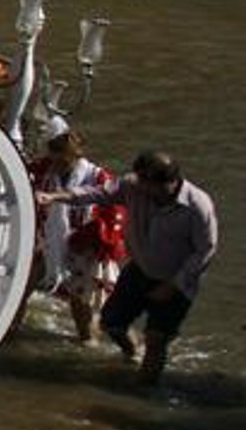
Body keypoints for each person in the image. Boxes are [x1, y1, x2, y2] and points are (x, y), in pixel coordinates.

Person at [42, 150, 218, 384]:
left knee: (156, 338)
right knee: (111, 323)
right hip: (139, 270)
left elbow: (205, 250)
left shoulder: (197, 205)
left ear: (166, 183)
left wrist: (173, 285)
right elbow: (98, 193)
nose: (136, 186)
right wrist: (56, 197)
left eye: (144, 183)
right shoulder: (132, 186)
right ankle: (133, 353)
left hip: (176, 280)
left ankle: (145, 390)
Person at [29, 120, 126, 344]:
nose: (55, 162)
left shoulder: (97, 176)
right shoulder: (45, 169)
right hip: (50, 242)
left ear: (70, 155)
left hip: (86, 247)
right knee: (23, 286)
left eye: (60, 158)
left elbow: (115, 210)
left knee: (81, 304)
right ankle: (7, 328)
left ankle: (90, 340)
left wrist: (105, 242)